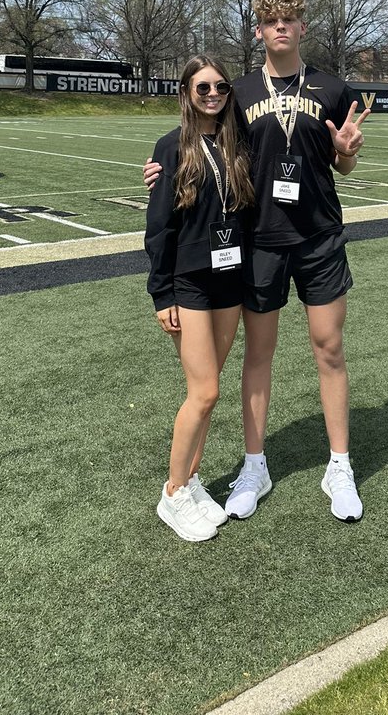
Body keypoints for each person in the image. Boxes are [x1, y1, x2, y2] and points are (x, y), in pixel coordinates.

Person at [145, 0, 369, 522]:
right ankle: (254, 464)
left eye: (290, 19)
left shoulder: (334, 89)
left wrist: (347, 155)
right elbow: (199, 140)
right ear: (259, 31)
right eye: (272, 21)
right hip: (259, 240)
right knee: (258, 355)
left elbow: (344, 167)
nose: (281, 28)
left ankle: (339, 464)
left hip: (318, 237)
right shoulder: (239, 91)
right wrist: (160, 165)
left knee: (329, 348)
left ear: (303, 27)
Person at [145, 55, 254, 542]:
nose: (213, 94)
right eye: (202, 87)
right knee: (203, 391)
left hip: (230, 278)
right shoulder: (171, 148)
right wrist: (161, 291)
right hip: (189, 281)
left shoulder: (238, 141)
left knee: (210, 393)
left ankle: (190, 482)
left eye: (221, 87)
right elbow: (159, 227)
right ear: (186, 91)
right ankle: (172, 494)